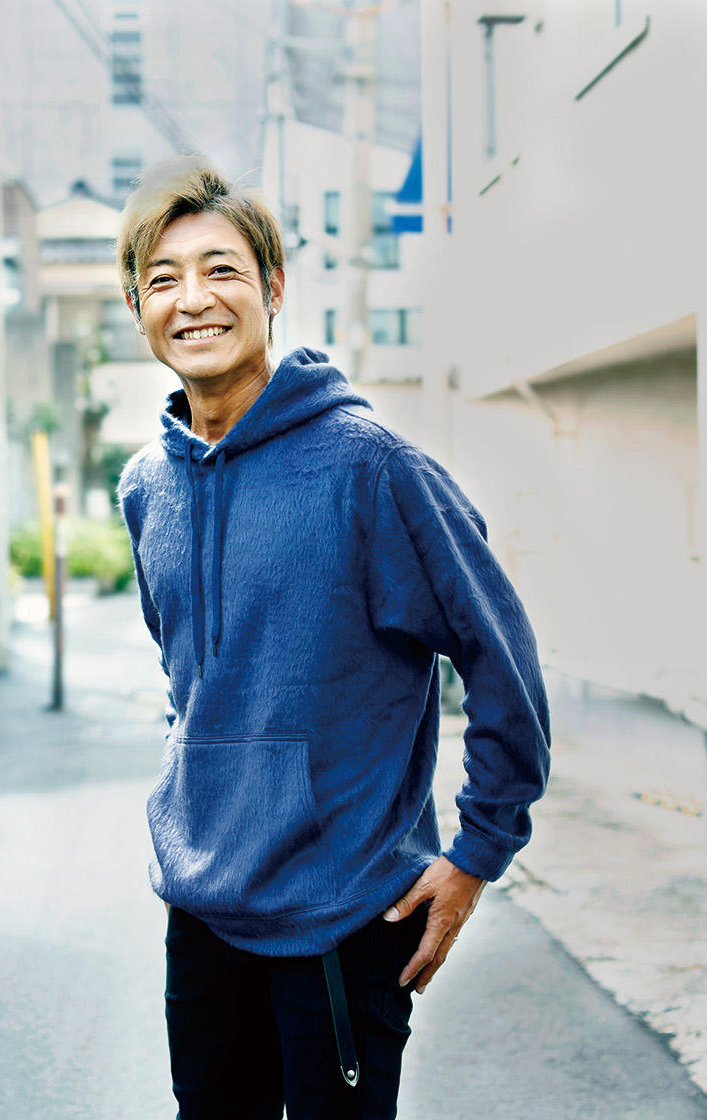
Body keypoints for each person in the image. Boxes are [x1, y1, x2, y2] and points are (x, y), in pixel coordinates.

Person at [115, 155, 550, 1120]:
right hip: (202, 908)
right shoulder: (147, 487)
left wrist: (478, 853)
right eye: (163, 278)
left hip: (344, 916)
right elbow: (191, 680)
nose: (194, 299)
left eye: (222, 270)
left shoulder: (371, 470)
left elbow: (502, 658)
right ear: (139, 309)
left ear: (273, 289)